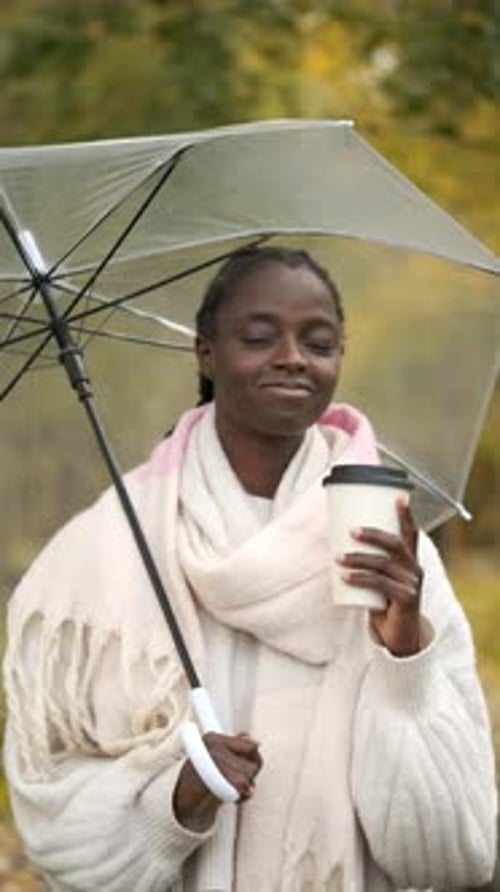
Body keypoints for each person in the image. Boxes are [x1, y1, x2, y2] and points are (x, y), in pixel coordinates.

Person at [2, 245, 497, 891]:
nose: (293, 355)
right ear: (206, 353)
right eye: (260, 336)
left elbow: (455, 852)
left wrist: (405, 656)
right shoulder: (109, 550)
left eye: (318, 341)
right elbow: (51, 821)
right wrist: (174, 800)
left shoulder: (389, 547)